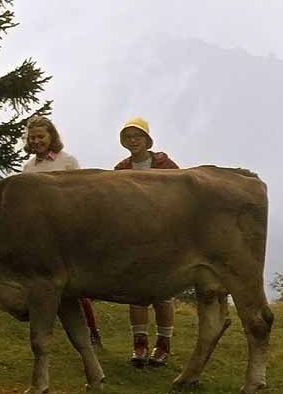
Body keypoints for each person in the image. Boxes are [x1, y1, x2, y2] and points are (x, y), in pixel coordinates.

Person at [21, 115, 103, 350]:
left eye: (41, 136)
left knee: (75, 285)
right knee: (46, 283)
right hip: (40, 235)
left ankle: (91, 331)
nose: (36, 141)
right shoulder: (28, 168)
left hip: (66, 231)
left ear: (52, 137)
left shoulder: (68, 161)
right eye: (32, 137)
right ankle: (49, 333)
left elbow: (83, 195)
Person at [114, 116, 179, 367]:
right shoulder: (121, 169)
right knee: (136, 292)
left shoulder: (165, 165)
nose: (133, 141)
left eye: (138, 136)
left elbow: (181, 196)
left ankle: (163, 346)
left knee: (163, 293)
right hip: (133, 237)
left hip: (164, 235)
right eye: (129, 137)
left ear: (147, 139)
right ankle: (139, 345)